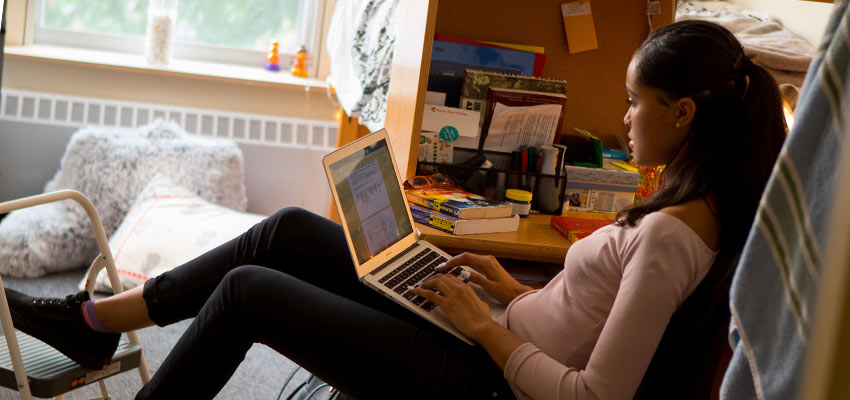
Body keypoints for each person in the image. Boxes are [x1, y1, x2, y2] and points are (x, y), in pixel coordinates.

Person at [3, 20, 786, 400]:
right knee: (285, 231)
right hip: (492, 333)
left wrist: (486, 327)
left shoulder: (675, 239)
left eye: (633, 103)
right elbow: (592, 320)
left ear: (683, 114)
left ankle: (100, 334)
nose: (623, 120)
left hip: (485, 379)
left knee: (250, 293)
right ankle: (96, 320)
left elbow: (596, 397)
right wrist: (507, 293)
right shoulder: (686, 207)